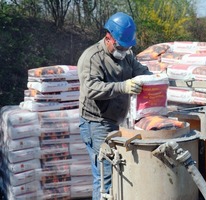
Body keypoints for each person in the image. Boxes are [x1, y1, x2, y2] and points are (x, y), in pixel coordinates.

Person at [77, 12, 152, 200]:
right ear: (108, 37)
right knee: (105, 177)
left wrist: (158, 79)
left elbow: (141, 71)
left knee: (118, 173)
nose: (124, 50)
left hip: (115, 121)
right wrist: (123, 86)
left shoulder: (126, 56)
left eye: (128, 47)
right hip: (96, 123)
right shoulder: (92, 57)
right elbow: (91, 89)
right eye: (121, 46)